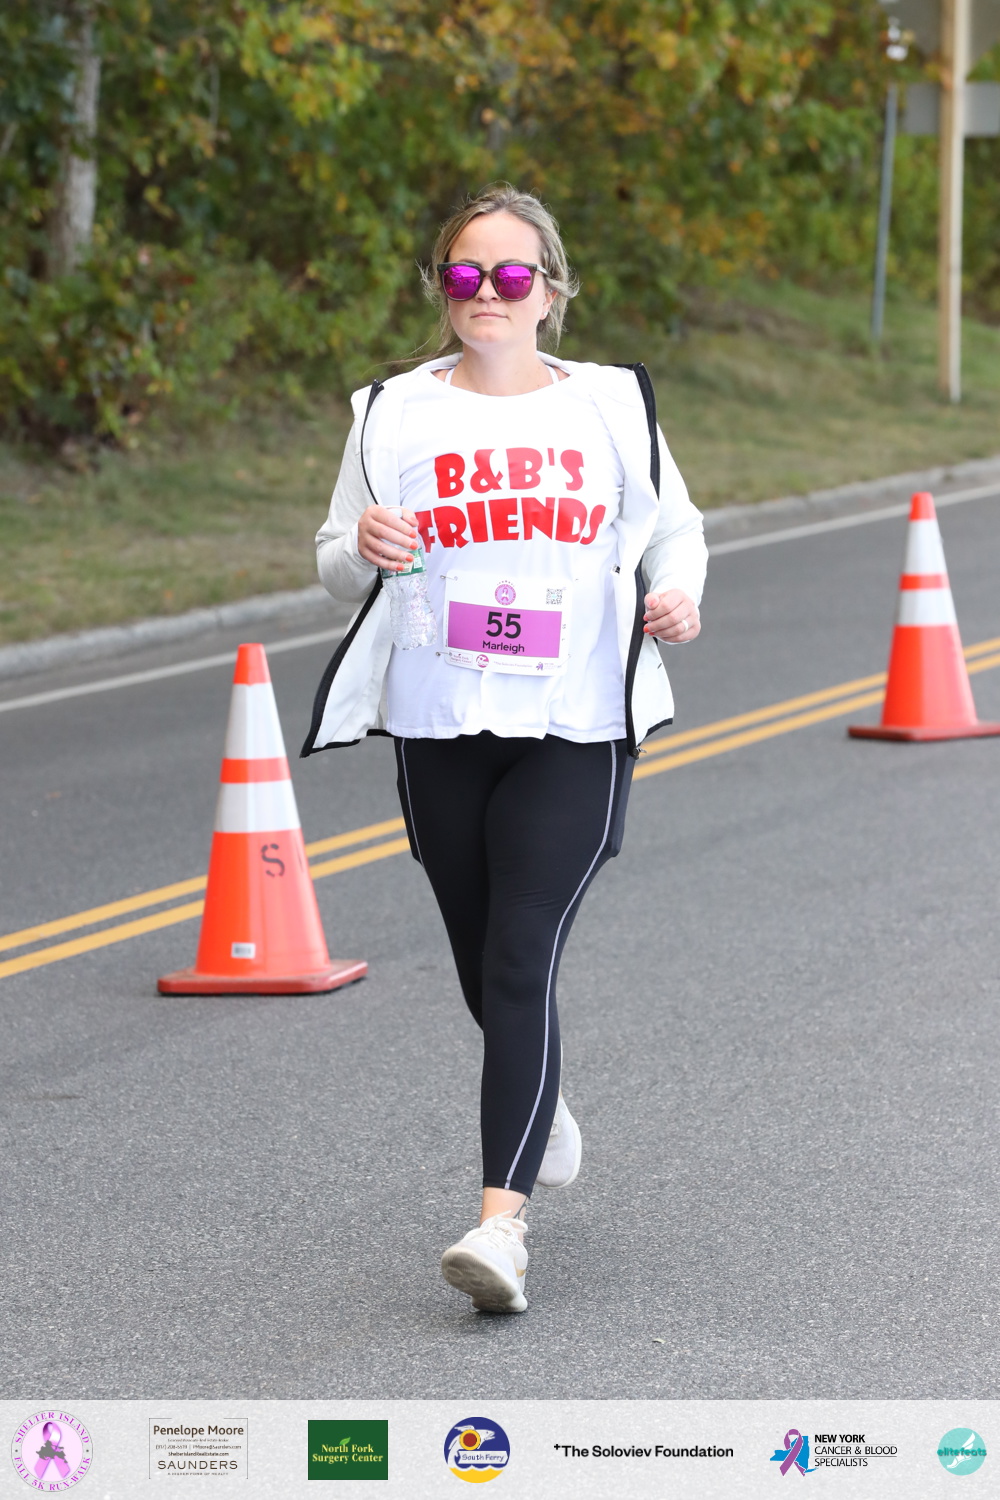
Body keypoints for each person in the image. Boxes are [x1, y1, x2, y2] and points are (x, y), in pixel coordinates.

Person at [302, 183, 707, 1314]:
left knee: (522, 955)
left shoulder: (610, 406)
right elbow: (334, 562)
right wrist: (362, 544)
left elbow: (676, 531)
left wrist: (677, 593)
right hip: (439, 720)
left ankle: (500, 1228)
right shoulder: (392, 412)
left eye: (513, 274)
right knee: (486, 964)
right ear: (441, 287)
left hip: (574, 722)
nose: (487, 291)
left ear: (551, 292)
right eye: (465, 273)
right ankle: (541, 1098)